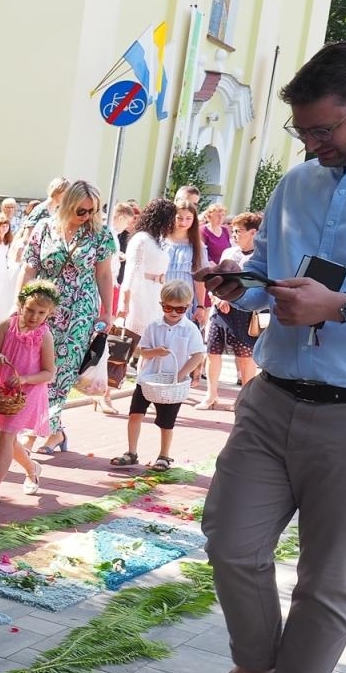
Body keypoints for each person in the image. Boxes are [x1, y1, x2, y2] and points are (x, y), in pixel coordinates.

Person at [192, 42, 346, 673]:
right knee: (230, 542)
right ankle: (256, 664)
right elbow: (272, 268)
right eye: (302, 133)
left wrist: (345, 307)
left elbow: (337, 300)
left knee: (329, 578)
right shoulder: (297, 183)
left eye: (324, 131)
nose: (311, 145)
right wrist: (243, 285)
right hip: (272, 399)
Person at [19, 179, 115, 454]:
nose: (86, 217)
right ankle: (56, 431)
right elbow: (29, 268)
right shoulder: (44, 228)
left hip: (79, 312)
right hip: (42, 309)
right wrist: (20, 305)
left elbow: (105, 274)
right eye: (81, 211)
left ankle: (35, 432)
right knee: (35, 367)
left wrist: (107, 311)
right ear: (67, 205)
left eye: (92, 211)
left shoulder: (100, 234)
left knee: (60, 372)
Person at [0, 280, 58, 505]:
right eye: (30, 310)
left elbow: (49, 372)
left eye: (41, 313)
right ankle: (32, 469)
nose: (34, 316)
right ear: (21, 305)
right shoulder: (6, 326)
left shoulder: (44, 336)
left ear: (49, 314)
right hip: (3, 390)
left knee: (6, 437)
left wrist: (24, 379)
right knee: (9, 439)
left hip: (26, 393)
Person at [109, 280, 205, 471]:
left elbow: (198, 355)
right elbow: (142, 351)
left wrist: (181, 374)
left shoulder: (190, 328)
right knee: (135, 414)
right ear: (162, 305)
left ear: (187, 307)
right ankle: (131, 452)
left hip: (172, 384)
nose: (174, 313)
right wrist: (156, 352)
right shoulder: (154, 325)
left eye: (180, 309)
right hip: (148, 379)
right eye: (169, 308)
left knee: (166, 421)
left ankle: (164, 455)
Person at [200, 212, 262, 410]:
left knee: (245, 357)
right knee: (213, 351)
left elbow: (258, 287)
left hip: (245, 312)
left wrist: (237, 299)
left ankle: (243, 399)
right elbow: (218, 279)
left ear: (253, 233)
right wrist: (217, 297)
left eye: (238, 231)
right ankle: (211, 395)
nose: (234, 235)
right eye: (233, 231)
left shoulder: (260, 258)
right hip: (221, 310)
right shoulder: (228, 253)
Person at [119, 198, 174, 339]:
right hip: (140, 295)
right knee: (133, 341)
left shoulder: (158, 240)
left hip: (155, 295)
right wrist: (125, 303)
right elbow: (131, 272)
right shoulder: (141, 239)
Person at [167, 200, 210, 330]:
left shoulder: (197, 246)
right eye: (179, 218)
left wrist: (201, 306)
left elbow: (199, 279)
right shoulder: (162, 240)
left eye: (188, 218)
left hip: (184, 297)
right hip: (161, 293)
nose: (183, 222)